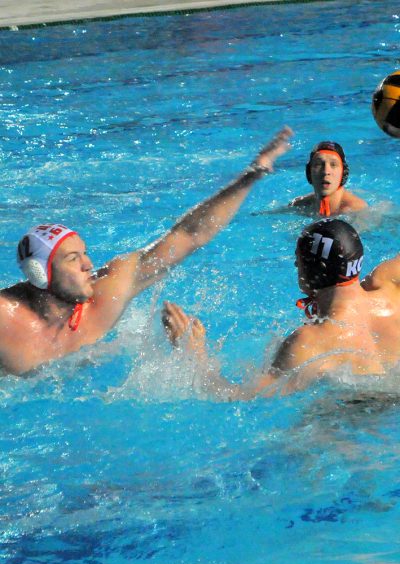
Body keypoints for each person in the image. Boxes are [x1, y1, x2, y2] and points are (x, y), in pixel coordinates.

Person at [0, 127, 292, 375]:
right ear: (40, 273)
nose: (88, 264)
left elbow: (188, 235)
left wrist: (249, 178)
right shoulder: (6, 318)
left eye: (84, 253)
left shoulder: (107, 295)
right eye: (73, 258)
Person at [162, 218, 400, 400]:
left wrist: (196, 356)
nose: (296, 264)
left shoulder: (311, 341)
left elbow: (240, 397)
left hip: (348, 425)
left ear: (313, 269)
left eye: (299, 259)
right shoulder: (390, 287)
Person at [289, 141, 367, 216]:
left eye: (333, 164)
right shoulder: (299, 205)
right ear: (309, 172)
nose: (326, 171)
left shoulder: (356, 210)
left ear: (343, 173)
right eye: (318, 164)